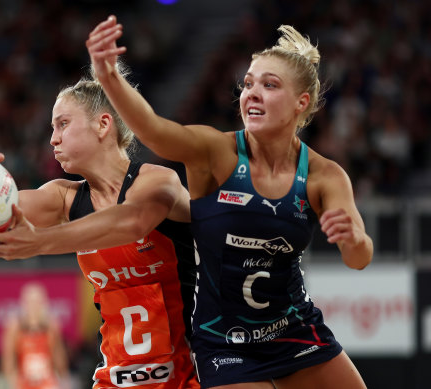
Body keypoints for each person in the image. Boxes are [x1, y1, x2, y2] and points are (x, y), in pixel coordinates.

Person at [85, 16, 373, 389]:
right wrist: (108, 75)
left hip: (294, 330)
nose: (252, 93)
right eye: (248, 83)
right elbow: (154, 131)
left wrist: (352, 239)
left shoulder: (324, 175)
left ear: (301, 103)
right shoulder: (216, 152)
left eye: (269, 85)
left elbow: (360, 257)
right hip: (224, 340)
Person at [0, 68, 199, 388]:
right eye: (52, 127)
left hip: (190, 376)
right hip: (117, 379)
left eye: (63, 123)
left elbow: (132, 221)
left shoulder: (159, 181)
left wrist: (40, 242)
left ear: (104, 124)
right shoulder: (63, 198)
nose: (52, 138)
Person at [0, 282, 70, 389]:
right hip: (23, 382)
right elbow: (8, 357)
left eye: (37, 301)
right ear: (23, 302)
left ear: (44, 302)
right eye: (30, 301)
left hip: (47, 382)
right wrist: (11, 379)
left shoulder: (51, 326)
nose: (33, 305)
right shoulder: (15, 326)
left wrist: (63, 378)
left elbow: (58, 355)